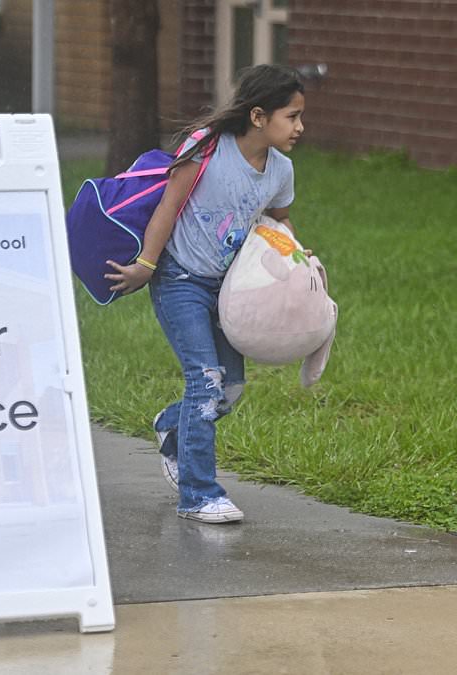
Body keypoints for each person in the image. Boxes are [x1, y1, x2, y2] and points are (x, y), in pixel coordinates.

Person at [104, 64, 306, 524]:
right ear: (258, 116)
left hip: (228, 288)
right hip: (180, 279)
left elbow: (279, 220)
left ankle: (171, 425)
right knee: (206, 381)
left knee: (230, 389)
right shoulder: (208, 149)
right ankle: (198, 494)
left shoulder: (281, 170)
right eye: (291, 116)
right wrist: (145, 266)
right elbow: (168, 207)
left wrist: (295, 259)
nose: (300, 127)